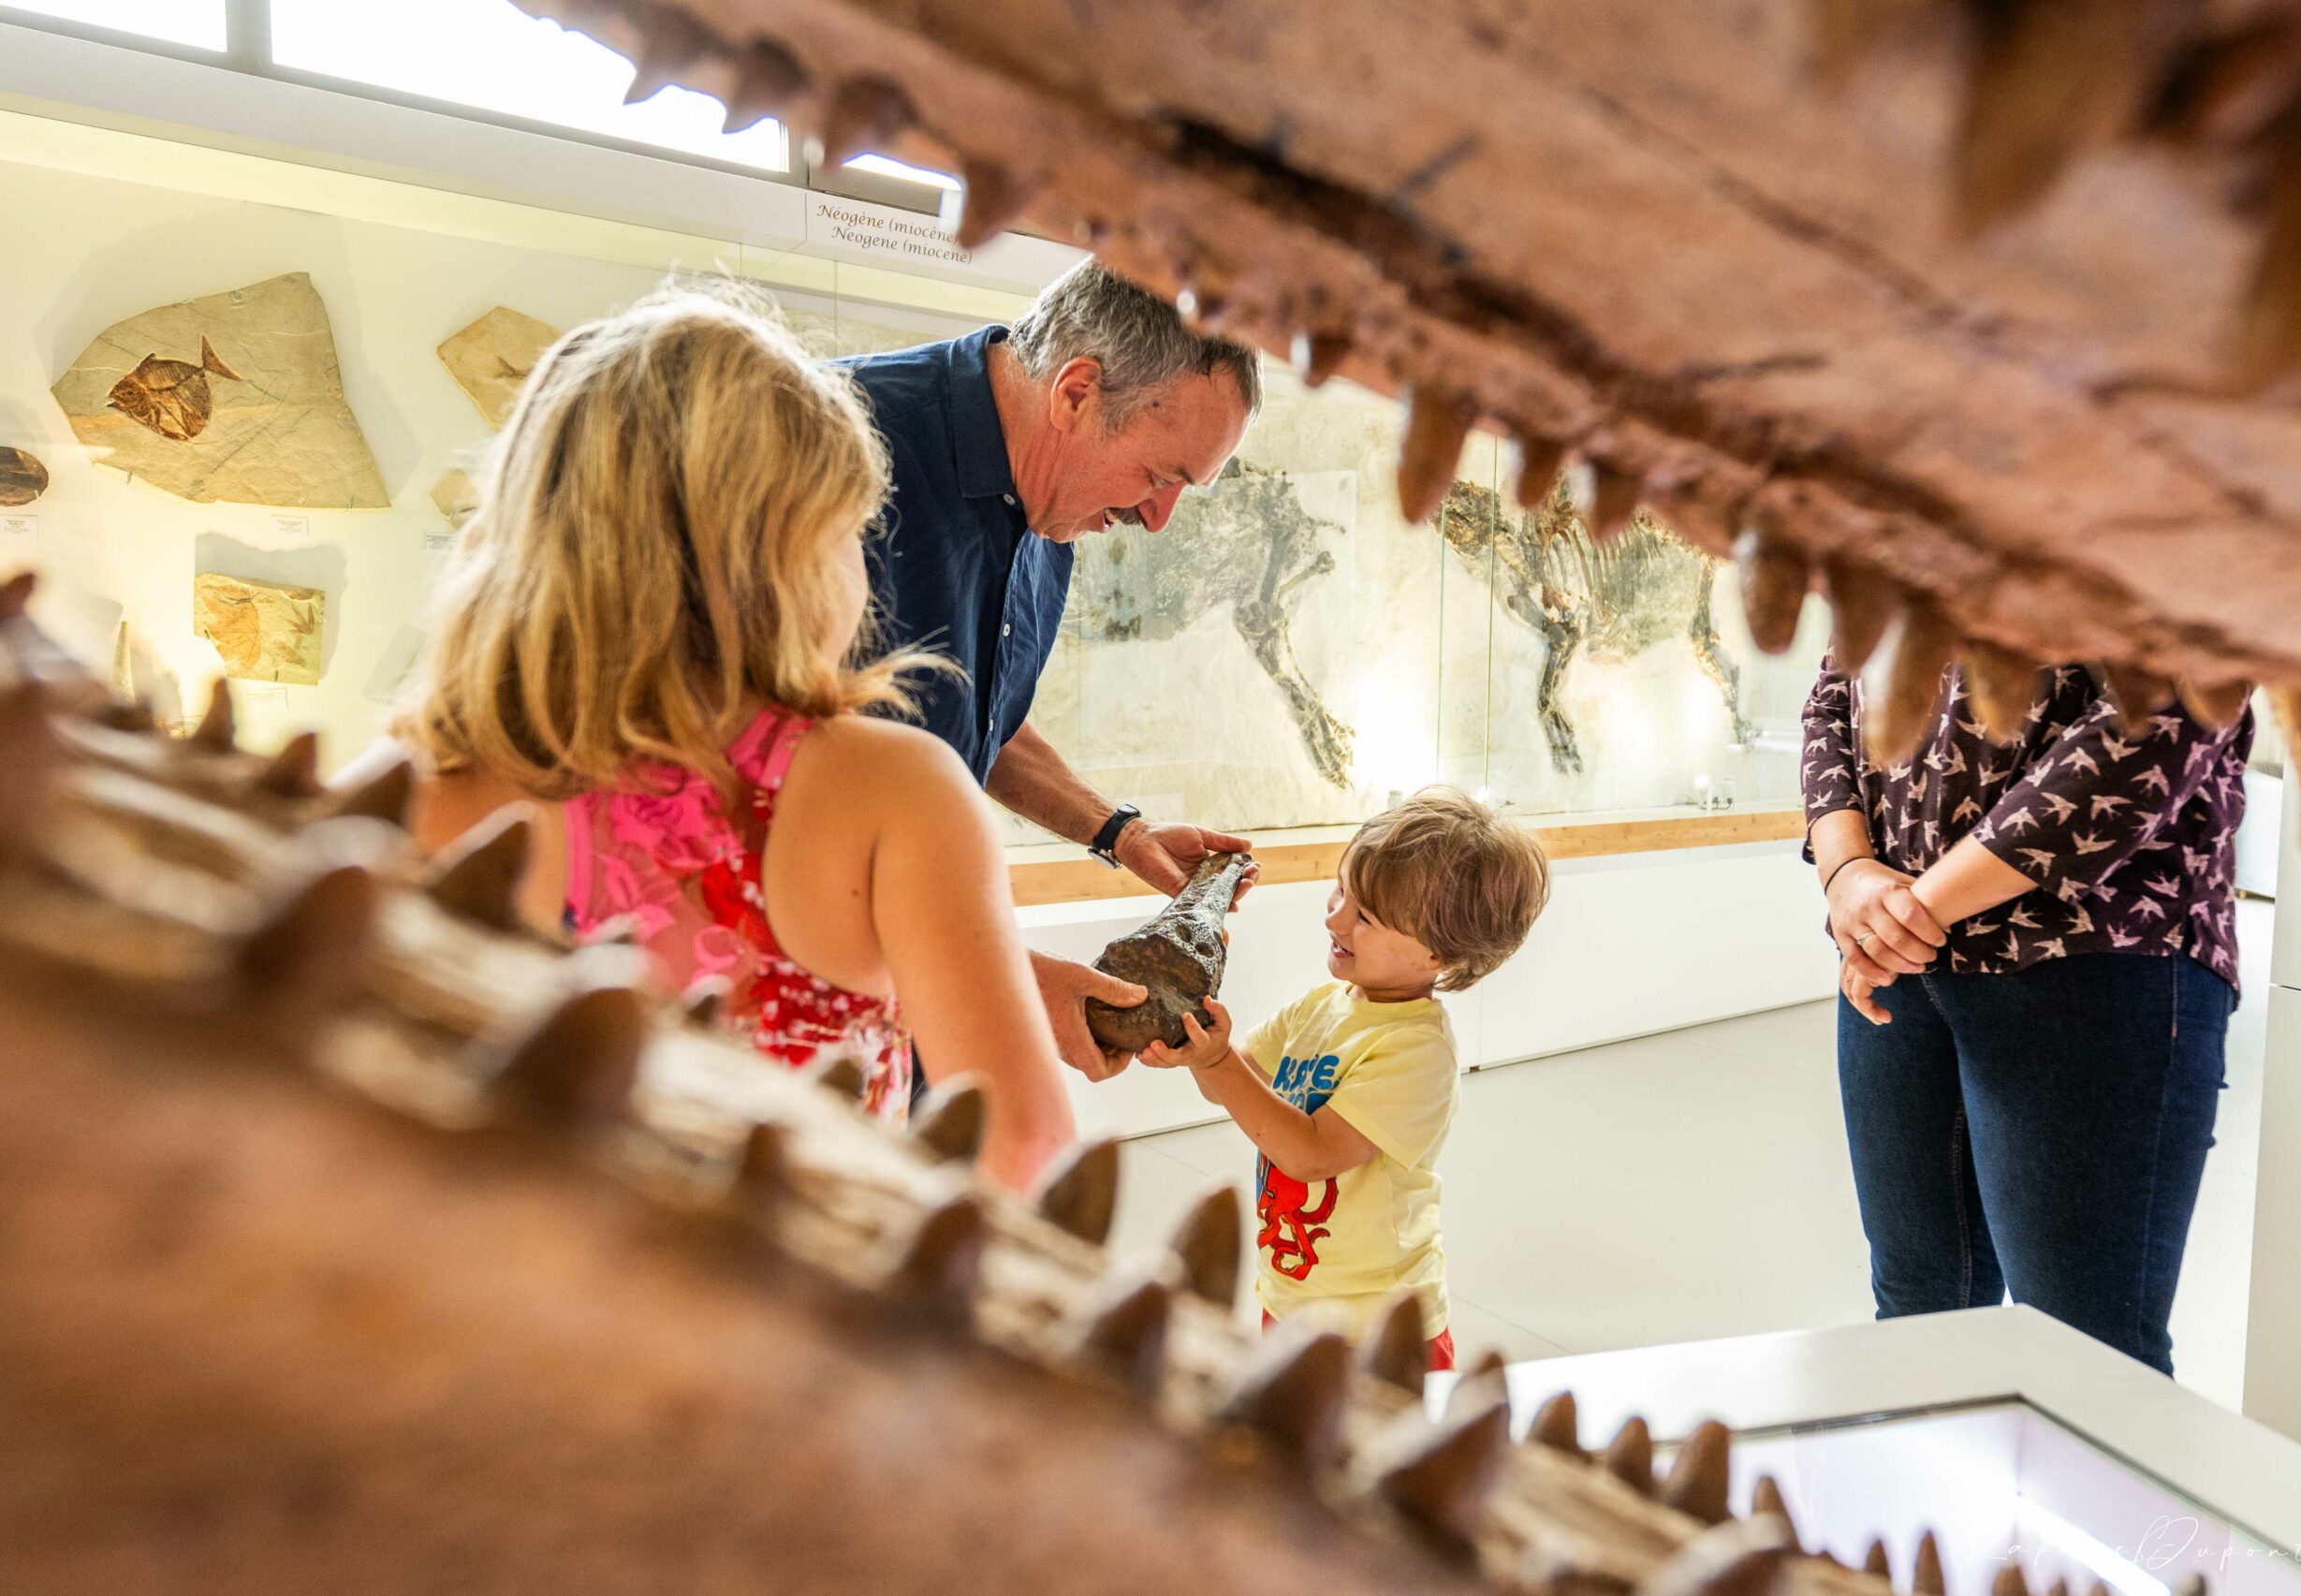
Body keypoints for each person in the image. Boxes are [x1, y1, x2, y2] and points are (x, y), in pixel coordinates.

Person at [387, 285, 1076, 1193]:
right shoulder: (892, 788)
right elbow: (1022, 1145)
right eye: (848, 529)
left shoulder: (412, 789)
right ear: (786, 550)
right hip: (789, 1318)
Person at [843, 258, 1263, 1080]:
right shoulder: (834, 453)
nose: (1156, 519)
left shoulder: (1054, 514)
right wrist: (1008, 984)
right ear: (1074, 393)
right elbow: (740, 802)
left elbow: (969, 716)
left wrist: (1119, 831)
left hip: (912, 1043)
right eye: (1158, 475)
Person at [1803, 657, 2252, 1375]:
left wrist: (1903, 914)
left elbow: (2168, 708)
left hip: (2089, 950)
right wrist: (1846, 870)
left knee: (2086, 1362)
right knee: (1915, 1315)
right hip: (1898, 956)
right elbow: (1833, 689)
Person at [1141, 788, 1551, 1366]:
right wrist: (1194, 1041)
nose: (1334, 916)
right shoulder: (1322, 1005)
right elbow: (1227, 1087)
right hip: (1289, 1298)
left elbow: (1310, 1155)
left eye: (1366, 917)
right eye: (1341, 889)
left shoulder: (1416, 1049)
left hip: (1379, 1331)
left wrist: (1217, 1061)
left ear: (1438, 954)